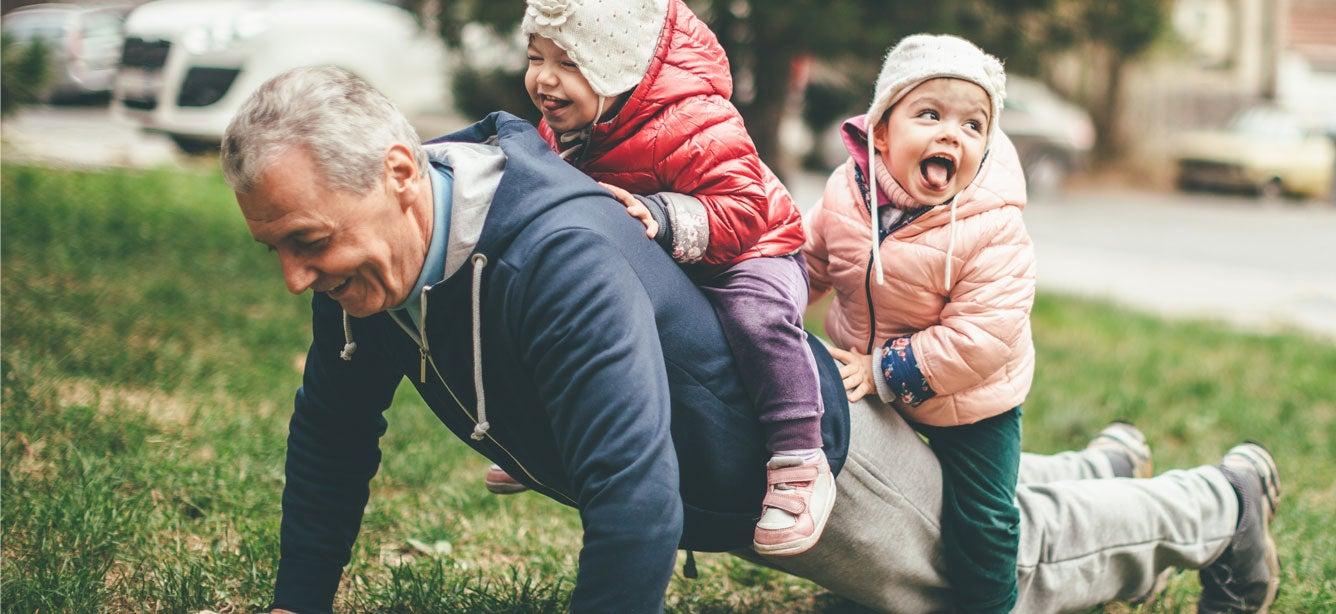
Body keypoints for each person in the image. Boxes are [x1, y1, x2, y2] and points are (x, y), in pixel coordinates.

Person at [223, 67, 1282, 614]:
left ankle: (1224, 503)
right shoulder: (373, 253)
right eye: (276, 247)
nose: (294, 276)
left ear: (403, 174)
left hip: (811, 458)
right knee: (987, 501)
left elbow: (634, 505)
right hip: (748, 456)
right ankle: (1092, 464)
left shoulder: (555, 258)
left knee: (1009, 563)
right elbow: (331, 434)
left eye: (306, 242)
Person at [493, 0, 833, 556]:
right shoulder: (567, 127)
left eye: (570, 63)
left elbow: (744, 206)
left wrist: (666, 215)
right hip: (664, 254)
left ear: (619, 66)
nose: (544, 79)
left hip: (751, 249)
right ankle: (549, 433)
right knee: (575, 308)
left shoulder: (696, 118)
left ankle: (799, 456)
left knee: (755, 317)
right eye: (536, 57)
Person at [804, 33, 1028, 612]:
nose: (952, 133)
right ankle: (874, 591)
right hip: (869, 374)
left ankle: (987, 603)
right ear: (881, 130)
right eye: (929, 114)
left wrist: (884, 371)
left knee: (983, 518)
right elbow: (810, 261)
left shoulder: (992, 225)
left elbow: (983, 336)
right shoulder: (846, 194)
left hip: (971, 397)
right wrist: (767, 303)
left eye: (974, 125)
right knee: (867, 497)